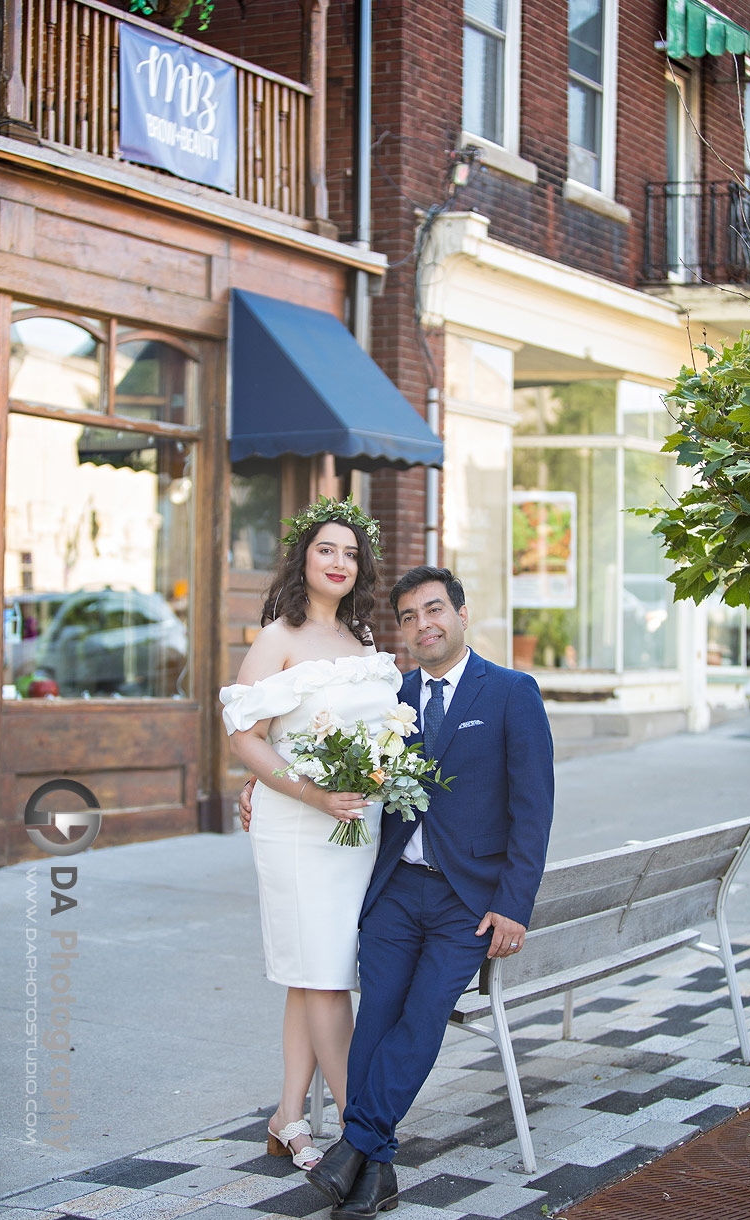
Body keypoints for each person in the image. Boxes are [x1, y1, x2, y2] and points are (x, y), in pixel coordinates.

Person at [303, 566, 554, 1220]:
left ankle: (355, 1147)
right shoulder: (391, 697)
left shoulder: (510, 692)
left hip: (467, 902)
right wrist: (261, 787)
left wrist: (513, 905)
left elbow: (533, 811)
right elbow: (332, 755)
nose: (423, 625)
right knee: (377, 1020)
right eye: (410, 616)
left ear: (462, 614)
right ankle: (374, 1172)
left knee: (420, 1021)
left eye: (434, 609)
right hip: (394, 892)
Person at [220, 497, 402, 1172]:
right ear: (303, 557)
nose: (339, 562)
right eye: (327, 549)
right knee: (325, 975)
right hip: (299, 827)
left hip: (353, 828)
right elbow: (246, 736)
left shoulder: (360, 640)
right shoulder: (279, 638)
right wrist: (309, 792)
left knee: (311, 972)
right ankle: (363, 1129)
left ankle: (287, 1117)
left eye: (351, 553)